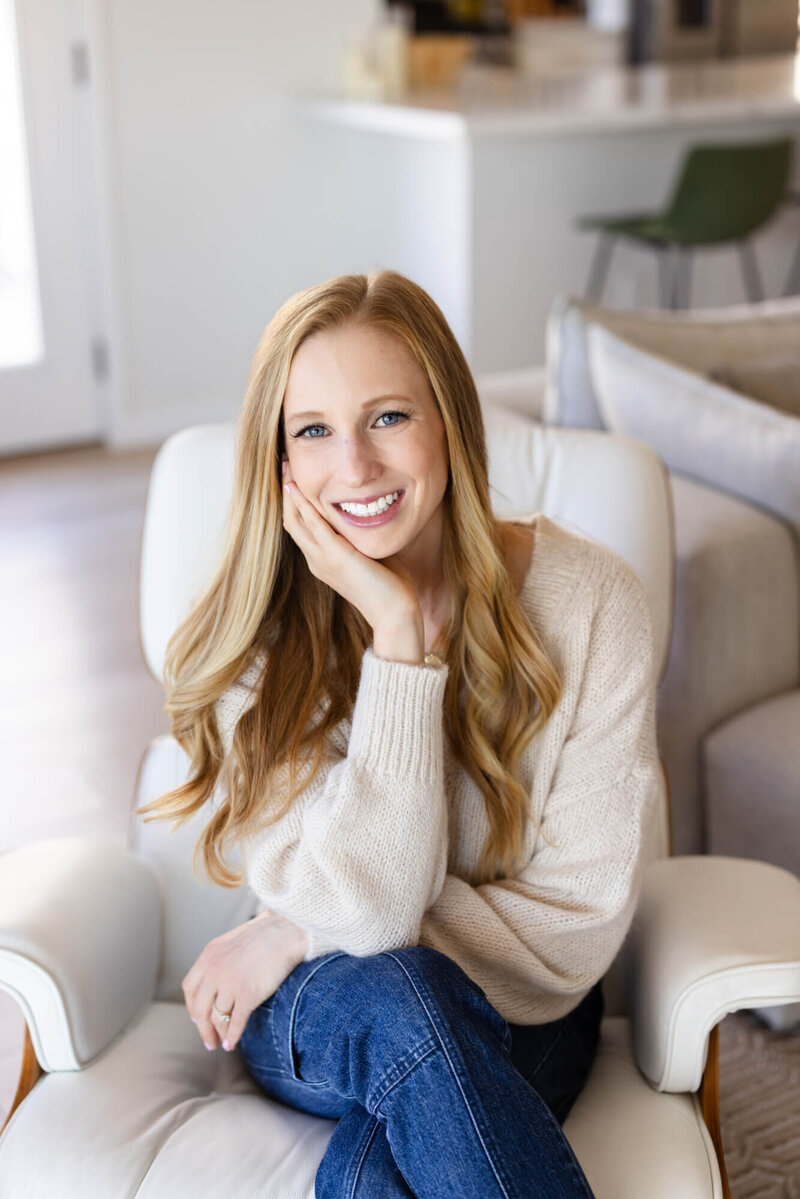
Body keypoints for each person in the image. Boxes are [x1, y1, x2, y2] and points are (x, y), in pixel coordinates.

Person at [139, 270, 662, 1198]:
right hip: (315, 1008)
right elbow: (375, 924)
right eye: (314, 431)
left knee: (381, 1171)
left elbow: (576, 925)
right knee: (400, 993)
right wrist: (400, 643)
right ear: (281, 464)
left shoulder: (592, 606)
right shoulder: (254, 638)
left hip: (525, 1007)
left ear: (451, 420)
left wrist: (297, 925)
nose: (356, 466)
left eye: (389, 417)